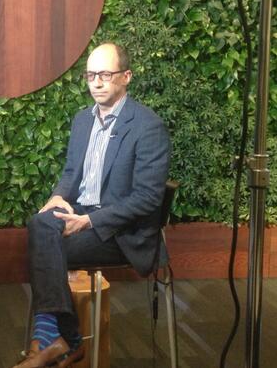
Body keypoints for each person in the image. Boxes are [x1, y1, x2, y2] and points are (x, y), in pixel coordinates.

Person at [15, 43, 171, 368]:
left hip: (121, 231)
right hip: (81, 214)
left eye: (105, 75)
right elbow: (71, 173)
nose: (96, 83)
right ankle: (62, 340)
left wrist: (89, 221)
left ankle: (54, 339)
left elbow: (147, 198)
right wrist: (59, 196)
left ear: (126, 76)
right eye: (90, 75)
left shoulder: (148, 127)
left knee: (46, 245)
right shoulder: (82, 120)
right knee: (40, 223)